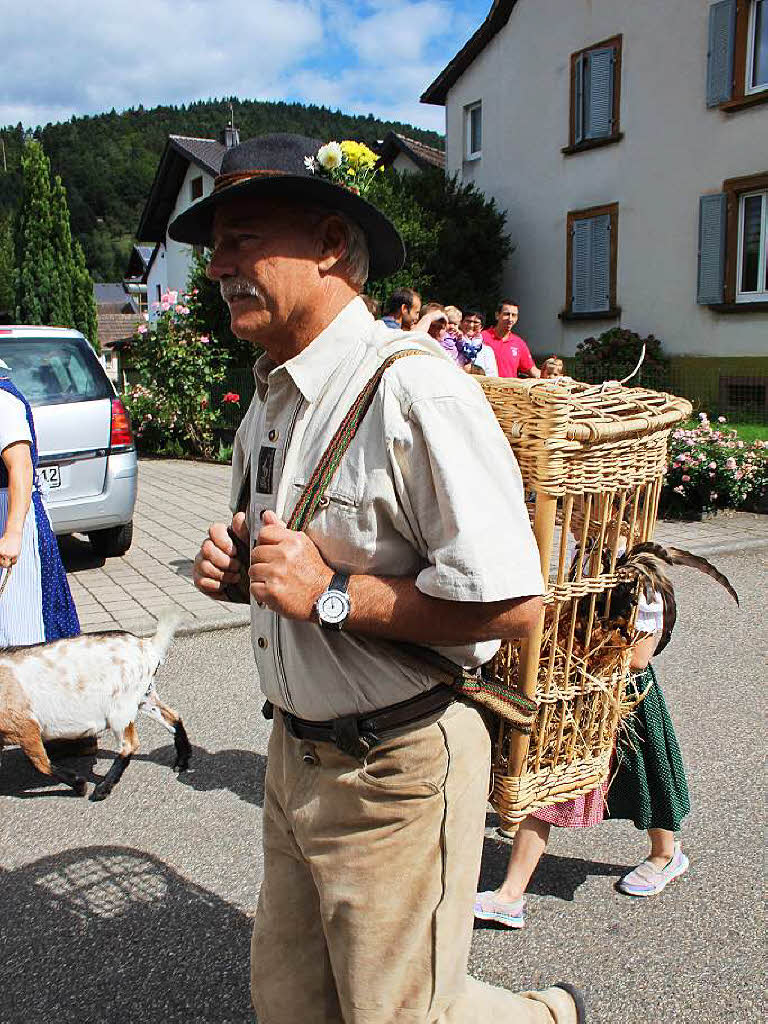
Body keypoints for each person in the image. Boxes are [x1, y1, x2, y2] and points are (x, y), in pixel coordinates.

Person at [177, 133, 586, 1023]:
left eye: (242, 238)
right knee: (289, 1003)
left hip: (397, 767)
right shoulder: (271, 394)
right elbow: (287, 557)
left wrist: (327, 593)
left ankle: (543, 1016)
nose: (218, 267)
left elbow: (514, 604)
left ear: (329, 243)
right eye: (214, 249)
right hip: (292, 760)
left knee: (399, 1015)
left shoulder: (417, 391)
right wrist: (236, 565)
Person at [474, 591, 690, 928]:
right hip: (574, 694)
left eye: (577, 531)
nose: (572, 533)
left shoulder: (645, 590)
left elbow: (638, 660)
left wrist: (582, 646)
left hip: (623, 698)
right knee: (545, 783)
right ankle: (510, 896)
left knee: (645, 781)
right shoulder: (577, 560)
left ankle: (665, 854)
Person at [0, 358, 80, 646]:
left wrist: (12, 533)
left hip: (9, 516)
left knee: (20, 626)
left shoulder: (2, 401)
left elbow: (20, 467)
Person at [482, 301, 540, 379]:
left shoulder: (519, 343)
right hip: (484, 388)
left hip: (509, 389)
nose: (510, 319)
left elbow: (532, 370)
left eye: (514, 315)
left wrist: (552, 378)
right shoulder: (482, 337)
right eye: (507, 314)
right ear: (497, 315)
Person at [458, 310, 498, 376]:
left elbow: (492, 376)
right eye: (468, 321)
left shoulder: (487, 351)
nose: (471, 325)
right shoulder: (453, 344)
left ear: (481, 327)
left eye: (476, 322)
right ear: (461, 323)